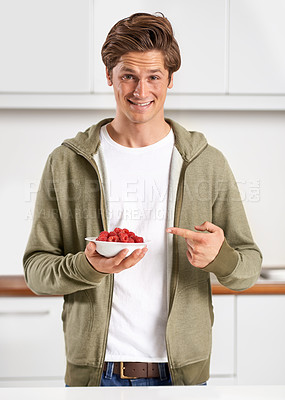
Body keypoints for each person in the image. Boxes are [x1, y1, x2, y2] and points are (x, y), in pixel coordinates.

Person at [23, 12, 262, 387]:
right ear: (109, 77)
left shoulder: (205, 162)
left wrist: (222, 257)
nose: (140, 90)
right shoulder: (68, 162)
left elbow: (248, 268)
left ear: (169, 80)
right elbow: (37, 270)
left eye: (153, 77)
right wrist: (88, 268)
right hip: (96, 375)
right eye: (128, 76)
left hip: (182, 374)